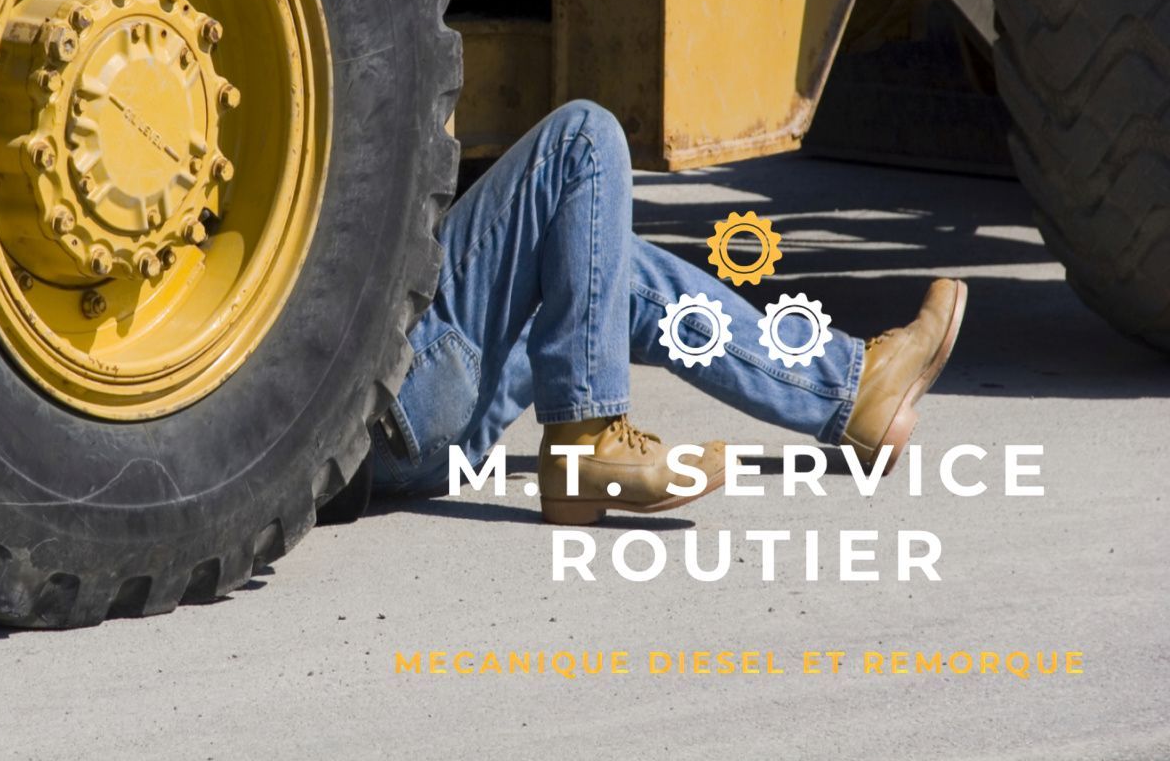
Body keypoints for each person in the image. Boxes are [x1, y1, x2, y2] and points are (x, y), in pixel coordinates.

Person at [369, 100, 967, 524]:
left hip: (390, 442)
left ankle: (851, 391)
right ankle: (585, 441)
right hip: (394, 407)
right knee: (583, 138)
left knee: (594, 260)